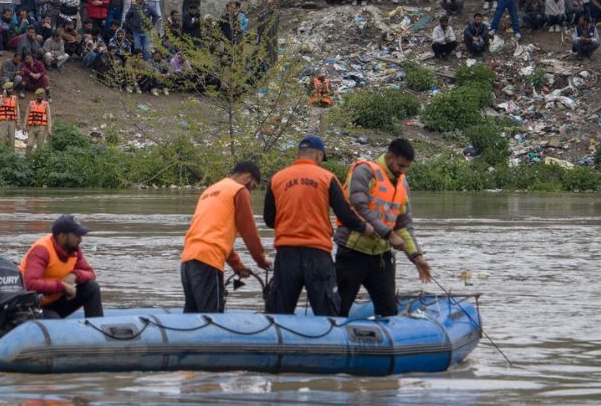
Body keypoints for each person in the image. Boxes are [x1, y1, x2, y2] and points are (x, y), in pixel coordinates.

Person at [261, 136, 373, 316]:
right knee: (328, 313)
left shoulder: (277, 179)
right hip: (317, 254)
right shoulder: (326, 178)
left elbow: (269, 219)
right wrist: (364, 227)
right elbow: (345, 214)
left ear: (299, 154)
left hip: (286, 254)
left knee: (278, 314)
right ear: (319, 155)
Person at [334, 138, 432, 317]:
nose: (403, 171)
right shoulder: (365, 172)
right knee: (339, 309)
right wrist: (388, 234)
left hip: (381, 257)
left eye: (406, 167)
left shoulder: (403, 184)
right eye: (401, 166)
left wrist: (416, 256)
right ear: (389, 157)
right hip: (352, 253)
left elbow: (404, 226)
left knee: (388, 311)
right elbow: (359, 207)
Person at [178, 162, 270, 314]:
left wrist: (237, 266)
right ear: (247, 177)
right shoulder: (239, 191)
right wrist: (261, 260)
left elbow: (216, 237)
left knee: (192, 315)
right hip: (208, 261)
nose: (251, 192)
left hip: (188, 259)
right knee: (213, 316)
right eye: (253, 187)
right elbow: (250, 232)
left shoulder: (211, 190)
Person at [18, 215, 103, 319]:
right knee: (54, 318)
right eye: (77, 235)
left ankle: (97, 326)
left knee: (91, 287)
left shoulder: (73, 250)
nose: (81, 239)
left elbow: (90, 274)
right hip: (30, 307)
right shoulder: (42, 250)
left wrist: (75, 275)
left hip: (54, 302)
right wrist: (63, 286)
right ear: (62, 236)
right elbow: (30, 283)